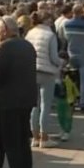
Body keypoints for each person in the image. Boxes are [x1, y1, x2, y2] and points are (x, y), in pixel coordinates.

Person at [0, 16, 38, 168]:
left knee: (12, 144)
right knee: (23, 142)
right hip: (26, 100)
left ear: (5, 30)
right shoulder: (28, 45)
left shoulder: (3, 47)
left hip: (8, 101)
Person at [25, 11, 64, 148]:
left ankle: (35, 137)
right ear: (47, 20)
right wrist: (61, 62)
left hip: (32, 71)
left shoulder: (30, 33)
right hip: (47, 72)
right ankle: (44, 137)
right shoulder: (50, 35)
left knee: (34, 106)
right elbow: (53, 57)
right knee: (45, 106)